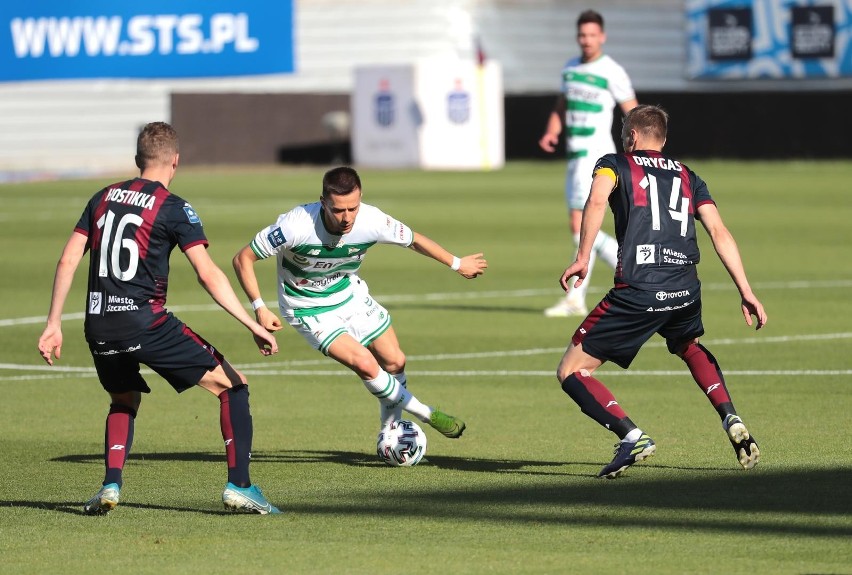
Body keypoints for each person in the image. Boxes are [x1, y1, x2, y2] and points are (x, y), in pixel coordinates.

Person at [37, 122, 283, 514]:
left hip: (98, 323)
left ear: (138, 160)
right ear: (176, 161)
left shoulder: (101, 197)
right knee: (233, 385)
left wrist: (53, 323)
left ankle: (111, 485)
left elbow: (68, 259)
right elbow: (207, 273)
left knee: (123, 398)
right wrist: (252, 322)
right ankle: (241, 485)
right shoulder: (173, 206)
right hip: (144, 321)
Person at [555, 105, 767, 479]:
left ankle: (631, 436)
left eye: (624, 132)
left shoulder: (613, 163)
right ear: (663, 140)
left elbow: (597, 200)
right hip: (685, 288)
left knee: (572, 370)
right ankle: (728, 414)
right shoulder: (688, 175)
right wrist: (746, 289)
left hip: (639, 289)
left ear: (632, 136)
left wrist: (583, 257)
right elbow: (719, 232)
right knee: (689, 346)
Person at [232, 166, 486, 444]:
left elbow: (413, 240)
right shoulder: (295, 226)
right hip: (307, 308)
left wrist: (457, 263)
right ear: (323, 202)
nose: (346, 218)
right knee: (366, 364)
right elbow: (243, 258)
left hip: (349, 295)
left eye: (352, 208)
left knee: (395, 360)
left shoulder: (372, 220)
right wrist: (259, 307)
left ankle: (390, 432)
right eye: (338, 210)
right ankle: (427, 413)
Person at [540, 9, 638, 317]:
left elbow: (633, 112)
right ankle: (613, 277)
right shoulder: (570, 68)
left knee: (580, 226)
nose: (586, 40)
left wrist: (637, 150)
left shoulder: (612, 70)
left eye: (592, 35)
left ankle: (617, 277)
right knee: (579, 228)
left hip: (596, 156)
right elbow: (562, 103)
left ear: (602, 37)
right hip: (575, 156)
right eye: (582, 35)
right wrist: (552, 130)